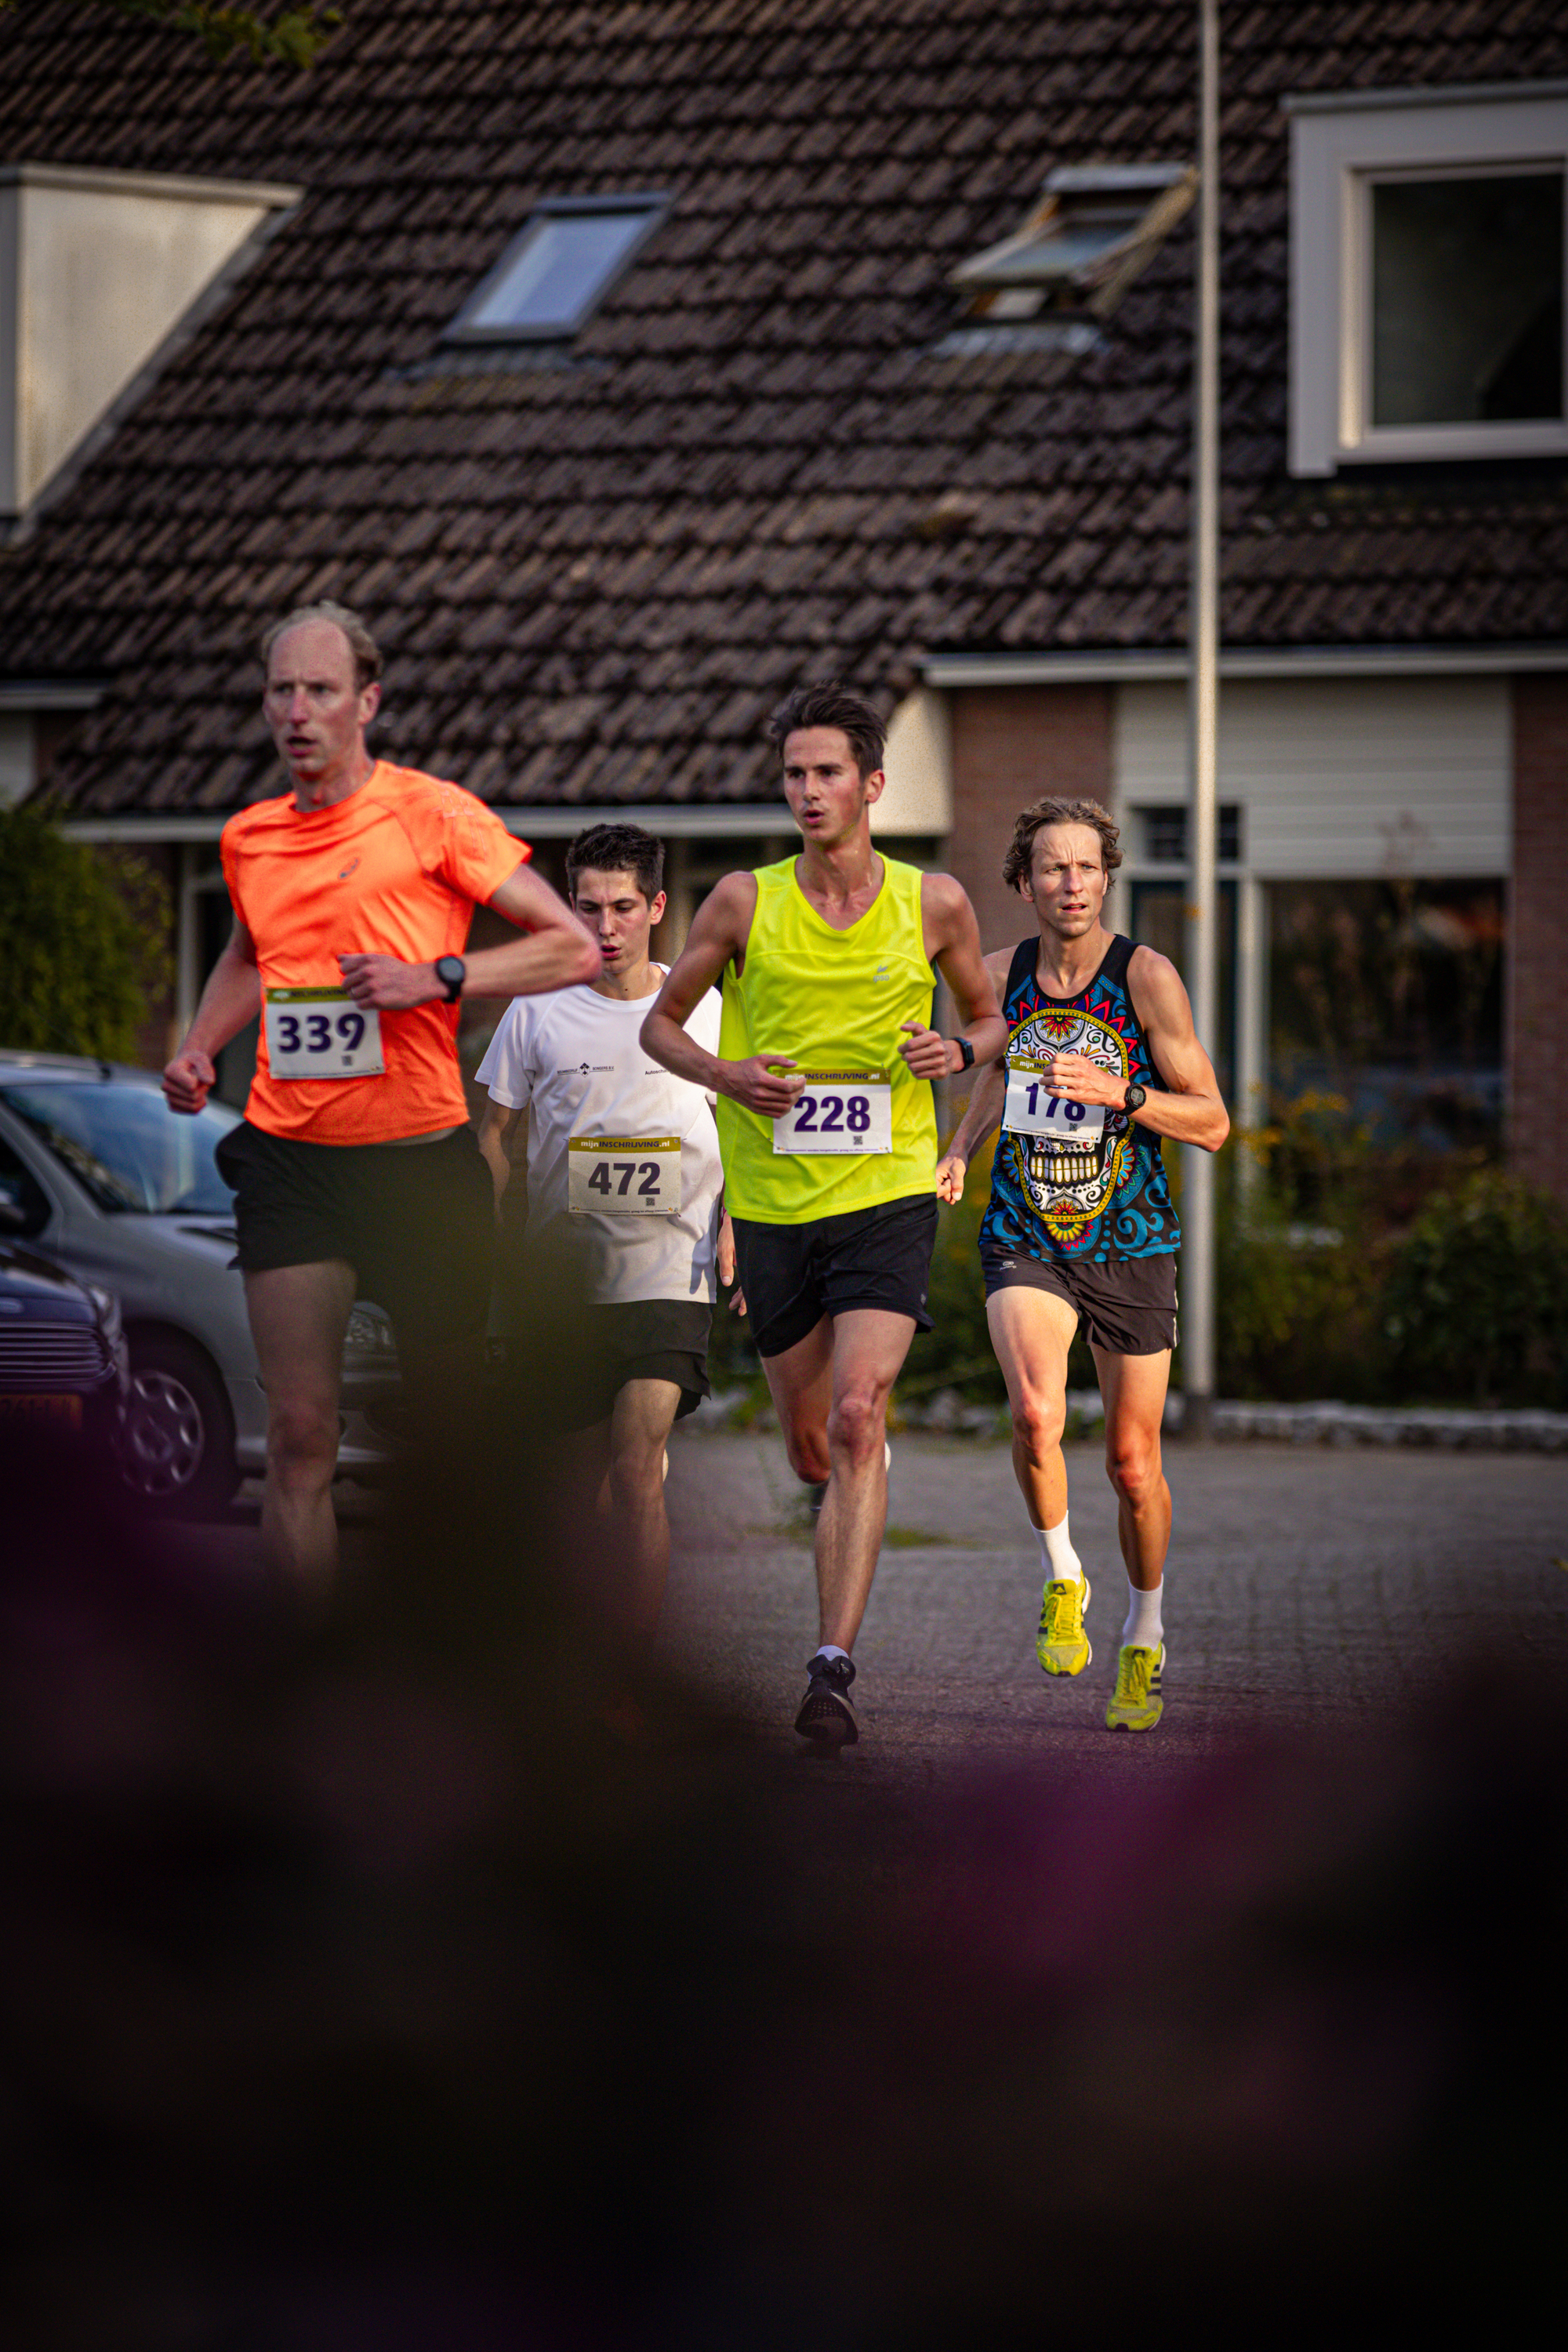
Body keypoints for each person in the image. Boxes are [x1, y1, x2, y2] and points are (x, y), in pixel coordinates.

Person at [162, 601, 597, 1597]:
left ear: (368, 700)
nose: (297, 711)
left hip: (416, 1161)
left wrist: (438, 978)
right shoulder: (249, 839)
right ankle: (311, 1692)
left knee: (446, 1441)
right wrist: (197, 1047)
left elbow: (569, 944)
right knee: (303, 1432)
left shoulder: (433, 816)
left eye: (319, 691)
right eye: (281, 691)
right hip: (290, 1157)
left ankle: (451, 1668)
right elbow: (245, 955)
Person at [641, 683, 1006, 1745]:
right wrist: (728, 1072)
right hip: (773, 1206)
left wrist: (957, 1051)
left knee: (858, 1414)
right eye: (795, 774)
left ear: (872, 785)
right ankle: (844, 1484)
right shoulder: (740, 904)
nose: (808, 790)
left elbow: (989, 1024)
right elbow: (662, 1029)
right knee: (812, 1444)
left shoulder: (932, 902)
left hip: (888, 1190)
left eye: (828, 773)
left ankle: (831, 1668)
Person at [936, 797, 1229, 1732]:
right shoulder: (994, 977)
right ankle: (1063, 1575)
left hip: (1131, 1238)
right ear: (1022, 883)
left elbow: (1213, 1122)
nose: (1069, 885)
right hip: (1026, 1228)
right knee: (1032, 1413)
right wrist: (958, 1150)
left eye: (1086, 869)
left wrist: (1123, 1090)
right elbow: (994, 1070)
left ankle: (1143, 1632)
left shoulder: (1144, 977)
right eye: (1051, 869)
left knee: (1132, 1464)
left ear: (1107, 879)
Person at [475, 822, 724, 1656]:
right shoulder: (536, 1010)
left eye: (623, 907)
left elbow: (754, 1139)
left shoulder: (708, 1012)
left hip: (670, 1274)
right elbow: (493, 1136)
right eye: (587, 908)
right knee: (575, 1487)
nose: (604, 927)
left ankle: (632, 1662)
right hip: (565, 1283)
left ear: (657, 907)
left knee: (635, 1464)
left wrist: (738, 1227)